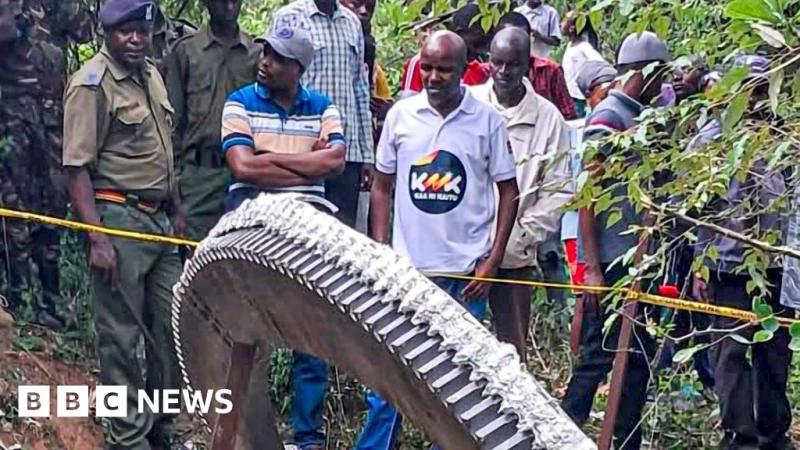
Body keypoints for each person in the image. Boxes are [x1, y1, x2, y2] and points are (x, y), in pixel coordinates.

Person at [354, 30, 519, 450]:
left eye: (444, 69)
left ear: (464, 71)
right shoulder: (401, 115)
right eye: (427, 67)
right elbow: (381, 185)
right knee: (391, 377)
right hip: (408, 274)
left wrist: (492, 260)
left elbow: (508, 191)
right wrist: (381, 249)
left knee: (458, 379)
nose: (433, 76)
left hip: (466, 275)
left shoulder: (486, 121)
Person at [62, 1, 183, 448]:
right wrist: (97, 237)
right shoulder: (91, 84)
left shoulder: (151, 75)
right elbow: (76, 168)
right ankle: (128, 437)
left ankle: (160, 428)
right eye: (125, 32)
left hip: (160, 222)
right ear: (106, 33)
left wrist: (178, 209)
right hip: (117, 217)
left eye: (141, 31)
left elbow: (165, 149)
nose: (135, 39)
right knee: (120, 337)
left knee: (168, 329)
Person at [220, 25, 347, 450]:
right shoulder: (239, 103)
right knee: (245, 334)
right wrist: (304, 162)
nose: (264, 62)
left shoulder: (324, 106)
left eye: (275, 58)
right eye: (265, 54)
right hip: (252, 228)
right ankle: (238, 434)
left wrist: (269, 157)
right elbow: (243, 168)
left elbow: (335, 162)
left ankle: (307, 439)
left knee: (311, 335)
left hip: (308, 229)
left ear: (297, 68)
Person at [561, 31, 671, 450]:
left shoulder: (644, 116)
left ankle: (626, 439)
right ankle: (566, 429)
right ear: (645, 72)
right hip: (612, 259)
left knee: (638, 357)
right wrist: (591, 267)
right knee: (597, 354)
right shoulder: (608, 118)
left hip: (640, 255)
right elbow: (588, 196)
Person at [692, 54, 793, 450]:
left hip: (775, 264)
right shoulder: (713, 138)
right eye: (747, 88)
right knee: (731, 355)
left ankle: (774, 435)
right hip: (727, 265)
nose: (753, 98)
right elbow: (699, 208)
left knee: (775, 354)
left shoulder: (784, 139)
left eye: (760, 87)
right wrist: (701, 264)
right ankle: (740, 439)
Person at [471, 27, 572, 361]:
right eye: (495, 63)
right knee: (457, 349)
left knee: (512, 353)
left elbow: (559, 188)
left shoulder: (548, 118)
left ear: (527, 65)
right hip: (464, 250)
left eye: (511, 65)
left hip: (515, 255)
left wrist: (523, 234)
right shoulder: (468, 104)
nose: (502, 72)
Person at [0, 0, 91, 328]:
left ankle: (51, 301)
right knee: (15, 208)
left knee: (52, 205)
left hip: (53, 117)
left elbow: (85, 30)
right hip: (12, 112)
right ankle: (18, 298)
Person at [271, 0, 373, 231]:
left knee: (341, 236)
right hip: (303, 150)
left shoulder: (352, 22)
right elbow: (274, 83)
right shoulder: (290, 16)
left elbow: (360, 88)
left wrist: (367, 155)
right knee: (300, 234)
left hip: (347, 153)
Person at [166, 0, 259, 241]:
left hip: (243, 176)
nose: (228, 8)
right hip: (197, 177)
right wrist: (176, 195)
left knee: (242, 258)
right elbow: (171, 126)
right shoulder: (186, 51)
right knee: (197, 261)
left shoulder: (255, 54)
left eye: (234, 2)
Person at [496, 12, 576, 119]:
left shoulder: (550, 70)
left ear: (530, 38)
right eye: (509, 39)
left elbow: (567, 114)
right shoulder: (488, 72)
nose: (514, 45)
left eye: (520, 38)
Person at [398, 4, 491, 97]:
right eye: (477, 42)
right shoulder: (421, 62)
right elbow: (407, 105)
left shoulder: (480, 70)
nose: (481, 49)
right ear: (460, 33)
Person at [561, 11, 606, 117]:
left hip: (580, 99)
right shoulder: (570, 45)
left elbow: (601, 64)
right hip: (571, 97)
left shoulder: (584, 47)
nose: (561, 24)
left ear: (572, 28)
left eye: (565, 21)